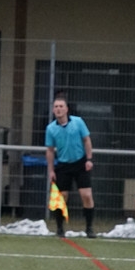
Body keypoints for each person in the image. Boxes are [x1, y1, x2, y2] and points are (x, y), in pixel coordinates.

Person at [44, 94, 96, 238]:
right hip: (63, 165)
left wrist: (89, 159)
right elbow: (49, 150)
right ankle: (60, 228)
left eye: (61, 106)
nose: (58, 109)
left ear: (66, 109)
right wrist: (51, 170)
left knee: (86, 195)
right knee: (62, 197)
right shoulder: (51, 129)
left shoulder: (78, 122)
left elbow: (86, 140)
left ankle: (89, 228)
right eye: (56, 107)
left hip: (80, 163)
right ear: (53, 110)